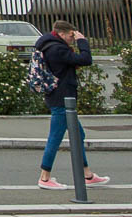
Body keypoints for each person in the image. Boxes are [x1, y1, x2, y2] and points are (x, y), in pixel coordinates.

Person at [35, 20, 109, 189]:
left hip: (61, 97)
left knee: (78, 136)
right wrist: (82, 42)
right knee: (55, 137)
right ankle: (44, 177)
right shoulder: (56, 49)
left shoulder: (50, 46)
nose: (72, 38)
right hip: (62, 99)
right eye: (70, 35)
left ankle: (87, 174)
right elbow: (85, 59)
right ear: (61, 34)